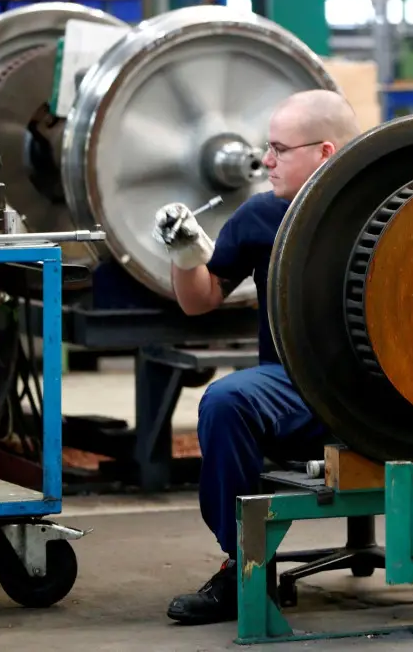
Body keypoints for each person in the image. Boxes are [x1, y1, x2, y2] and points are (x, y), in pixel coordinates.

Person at [153, 89, 362, 625]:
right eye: (264, 147)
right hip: (296, 389)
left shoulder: (396, 209)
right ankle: (242, 569)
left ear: (325, 152)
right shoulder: (261, 215)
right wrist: (186, 252)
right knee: (226, 401)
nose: (264, 160)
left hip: (385, 389)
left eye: (278, 149)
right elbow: (200, 300)